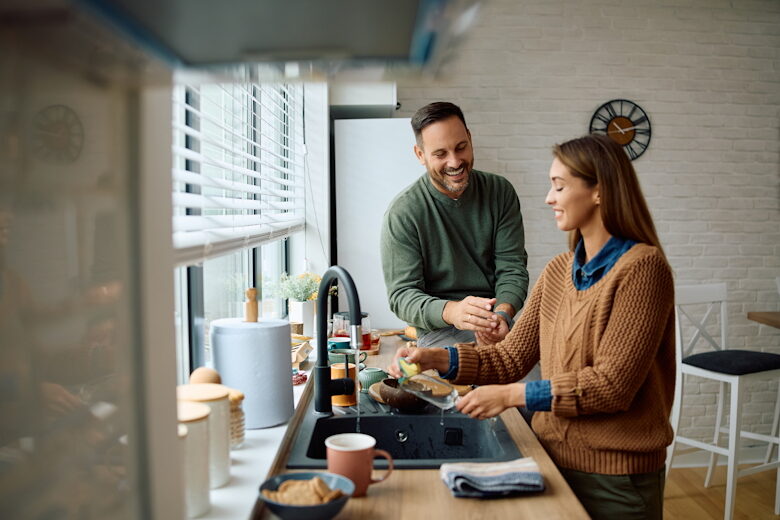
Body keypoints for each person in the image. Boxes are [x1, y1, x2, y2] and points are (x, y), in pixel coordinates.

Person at [390, 134, 675, 520]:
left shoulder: (642, 269)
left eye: (559, 186)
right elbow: (509, 358)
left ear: (598, 192)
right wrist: (433, 358)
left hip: (617, 480)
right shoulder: (560, 271)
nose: (549, 198)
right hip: (551, 461)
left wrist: (511, 396)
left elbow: (611, 387)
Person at [380, 101, 530, 349]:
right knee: (456, 385)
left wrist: (503, 314)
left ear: (470, 139)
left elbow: (512, 268)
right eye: (440, 154)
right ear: (420, 155)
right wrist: (453, 312)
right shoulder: (403, 213)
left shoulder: (500, 192)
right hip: (439, 332)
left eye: (461, 147)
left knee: (537, 385)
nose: (455, 162)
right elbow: (402, 296)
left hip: (496, 323)